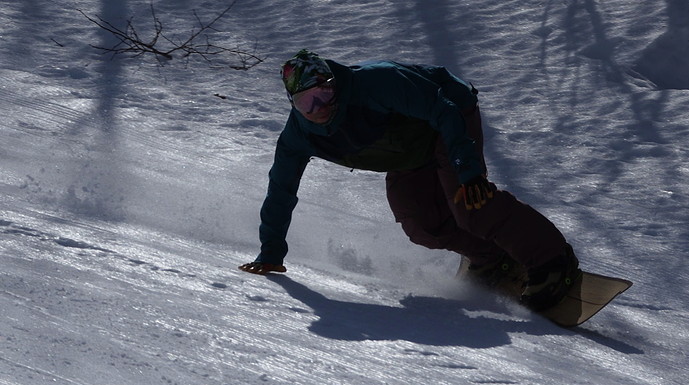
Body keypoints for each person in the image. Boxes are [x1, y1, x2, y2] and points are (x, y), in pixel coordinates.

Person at [239, 49, 580, 311]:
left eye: (324, 94)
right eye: (305, 102)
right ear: (293, 105)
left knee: (470, 203)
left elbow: (443, 110)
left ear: (335, 84)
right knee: (421, 223)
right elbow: (281, 190)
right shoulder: (298, 136)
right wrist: (271, 251)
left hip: (446, 120)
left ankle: (552, 261)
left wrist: (468, 170)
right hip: (406, 151)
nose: (319, 107)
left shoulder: (377, 83)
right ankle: (492, 259)